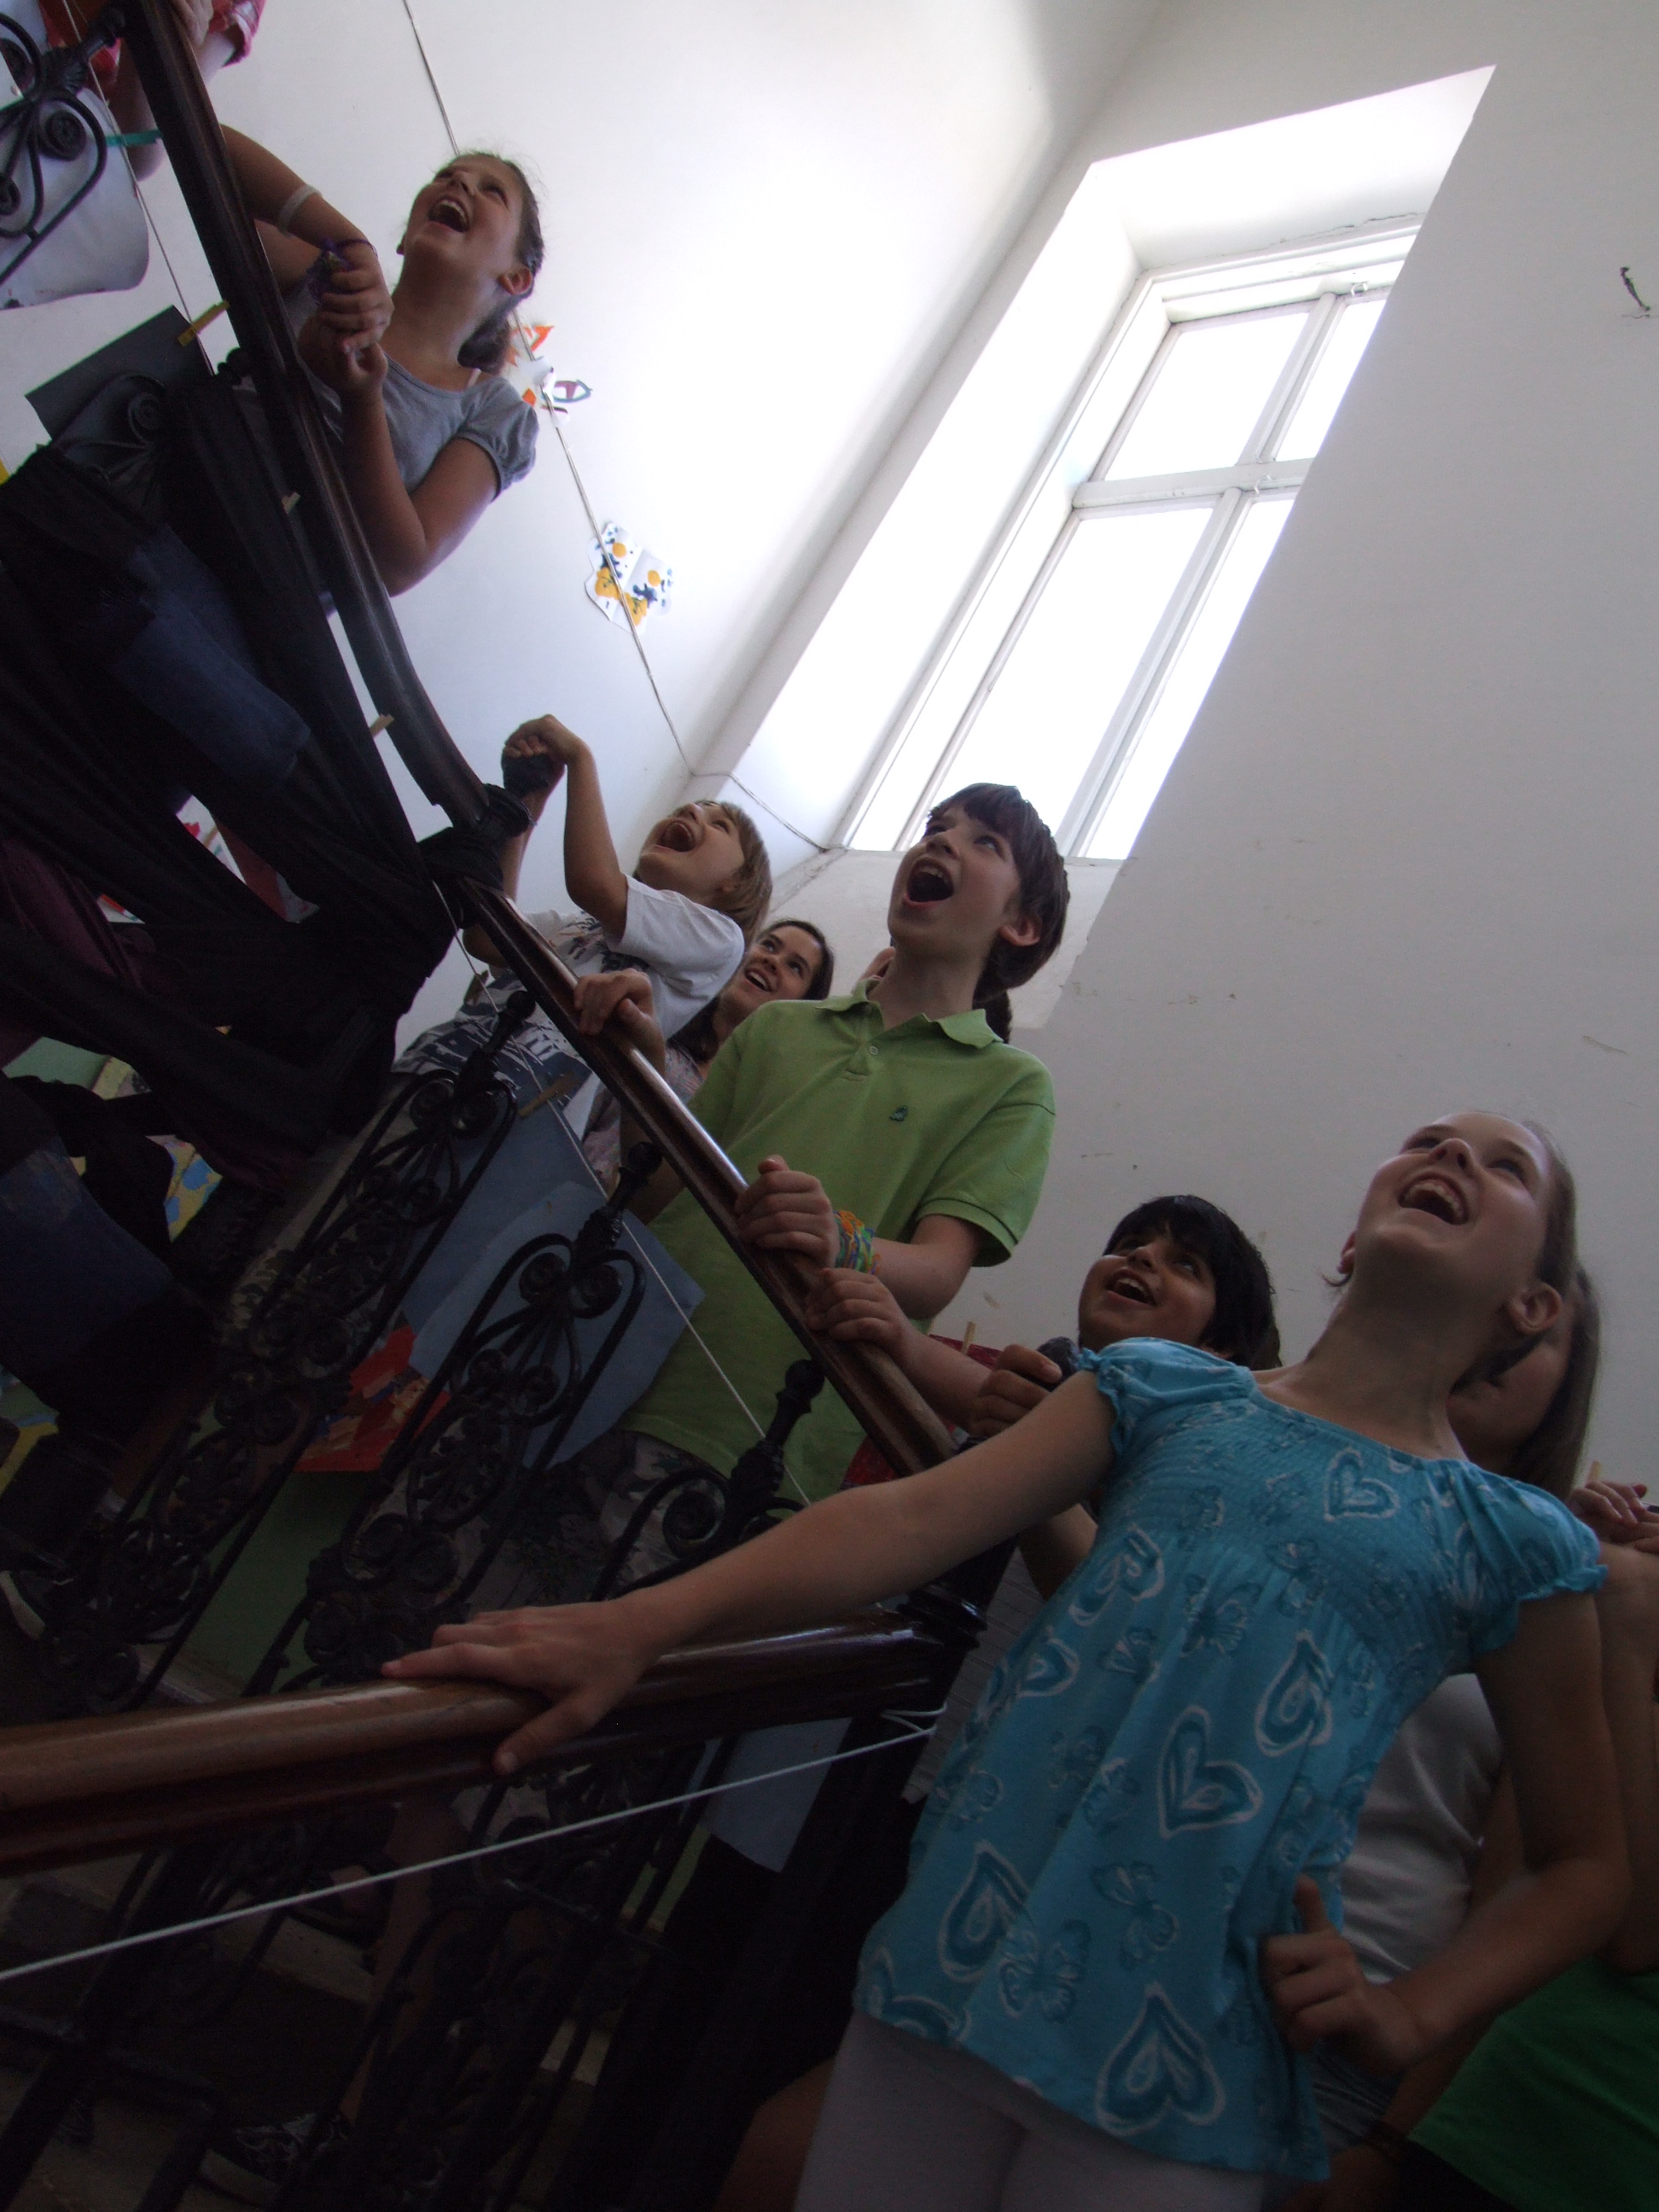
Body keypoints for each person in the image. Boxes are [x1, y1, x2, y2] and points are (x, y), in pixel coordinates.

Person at [388, 1111, 1627, 2209]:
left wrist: (1411, 2012)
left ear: (1534, 1307)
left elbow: (1584, 1863)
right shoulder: (1163, 1392)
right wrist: (639, 1626)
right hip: (952, 1972)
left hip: (1185, 2065)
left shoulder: (1513, 1542)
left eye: (1504, 1165)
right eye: (1427, 1139)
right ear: (1351, 1242)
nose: (1450, 1154)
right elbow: (906, 1519)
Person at [707, 1196, 1280, 2212]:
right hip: (855, 1759)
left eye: (1185, 1265)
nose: (1141, 1260)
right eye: (1130, 1244)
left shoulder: (1208, 1472)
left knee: (815, 2075)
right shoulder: (1042, 1380)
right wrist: (898, 1343)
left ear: (1226, 1347)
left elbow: (1115, 1604)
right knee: (715, 2008)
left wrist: (948, 1381)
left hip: (975, 1812)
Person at [508, 780, 1068, 1593]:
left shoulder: (1012, 1087)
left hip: (742, 1434)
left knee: (607, 1651)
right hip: (596, 1364)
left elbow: (938, 1272)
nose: (941, 840)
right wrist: (643, 1066)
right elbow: (658, 1191)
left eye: (985, 842)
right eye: (936, 824)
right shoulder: (778, 1026)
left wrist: (843, 1240)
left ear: (1023, 925)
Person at [402, 713, 771, 1148]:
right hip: (430, 1073)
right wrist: (528, 804)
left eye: (720, 825)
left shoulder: (721, 939)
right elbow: (486, 938)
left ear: (736, 884)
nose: (692, 810)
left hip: (505, 1131)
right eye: (691, 809)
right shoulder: (583, 927)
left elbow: (594, 883)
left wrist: (579, 758)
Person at [216, 135, 543, 591]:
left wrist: (362, 398)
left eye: (492, 191)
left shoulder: (494, 411)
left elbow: (400, 567)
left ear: (516, 277)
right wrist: (351, 243)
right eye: (446, 176)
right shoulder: (330, 278)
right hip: (158, 490)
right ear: (406, 239)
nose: (459, 182)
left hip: (244, 603)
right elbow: (214, 146)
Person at [579, 916, 835, 1185]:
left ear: (802, 1007)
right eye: (769, 945)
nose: (772, 960)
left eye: (795, 967)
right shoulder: (661, 1017)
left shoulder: (751, 1103)